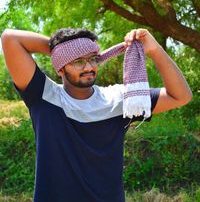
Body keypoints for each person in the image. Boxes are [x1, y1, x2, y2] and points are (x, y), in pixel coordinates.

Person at [1, 28, 192, 202]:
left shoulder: (118, 99)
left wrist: (154, 50)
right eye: (78, 61)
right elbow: (10, 38)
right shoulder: (44, 96)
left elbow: (181, 96)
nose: (89, 67)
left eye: (93, 58)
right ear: (60, 68)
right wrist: (60, 49)